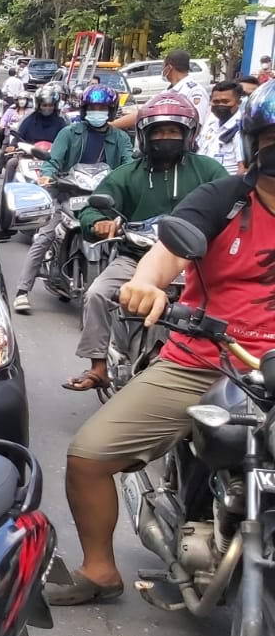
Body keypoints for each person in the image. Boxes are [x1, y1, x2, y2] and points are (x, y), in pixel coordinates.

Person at [45, 81, 275, 605]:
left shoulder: (204, 169)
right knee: (89, 456)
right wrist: (148, 282)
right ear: (254, 144)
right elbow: (170, 248)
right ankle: (100, 569)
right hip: (209, 361)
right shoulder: (224, 197)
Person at [60, 92, 227, 392]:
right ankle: (97, 367)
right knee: (98, 293)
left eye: (173, 131)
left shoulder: (209, 171)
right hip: (134, 257)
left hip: (194, 265)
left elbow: (230, 208)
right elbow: (92, 209)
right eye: (159, 132)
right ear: (145, 136)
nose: (166, 137)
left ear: (188, 134)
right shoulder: (128, 174)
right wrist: (98, 223)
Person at [13, 84, 133, 314]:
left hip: (102, 200)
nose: (97, 111)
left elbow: (128, 164)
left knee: (128, 239)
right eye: (93, 107)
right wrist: (47, 175)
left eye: (102, 107)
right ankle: (22, 291)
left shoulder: (120, 138)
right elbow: (54, 160)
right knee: (44, 237)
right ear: (85, 109)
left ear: (111, 110)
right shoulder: (69, 133)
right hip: (69, 193)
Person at [202, 79, 244, 172]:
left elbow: (243, 168)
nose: (220, 105)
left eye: (225, 102)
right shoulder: (210, 123)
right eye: (216, 102)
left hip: (225, 183)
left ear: (238, 103)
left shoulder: (242, 129)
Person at [0, 94, 31, 178]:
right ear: (17, 101)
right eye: (20, 99)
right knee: (3, 153)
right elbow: (3, 120)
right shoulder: (10, 110)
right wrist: (2, 125)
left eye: (24, 99)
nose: (22, 101)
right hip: (9, 134)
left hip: (23, 136)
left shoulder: (30, 112)